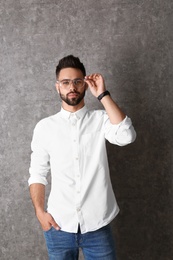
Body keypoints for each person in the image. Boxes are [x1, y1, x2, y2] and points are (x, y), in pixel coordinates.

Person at [28, 55, 136, 260]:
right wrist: (40, 213)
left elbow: (127, 136)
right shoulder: (45, 128)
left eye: (77, 81)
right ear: (57, 87)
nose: (72, 87)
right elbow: (37, 174)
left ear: (85, 85)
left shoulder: (101, 119)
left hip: (98, 226)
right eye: (66, 82)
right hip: (58, 226)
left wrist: (102, 94)